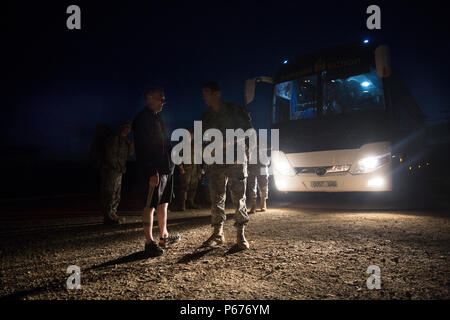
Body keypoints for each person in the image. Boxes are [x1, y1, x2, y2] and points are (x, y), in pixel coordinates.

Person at [200, 81, 253, 250]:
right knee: (216, 198)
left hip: (236, 159)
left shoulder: (235, 110)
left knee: (238, 197)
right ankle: (218, 234)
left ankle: (241, 234)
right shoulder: (206, 116)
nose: (204, 97)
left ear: (217, 93)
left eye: (206, 92)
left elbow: (248, 131)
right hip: (215, 163)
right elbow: (204, 139)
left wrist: (226, 142)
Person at [133, 88, 181, 257]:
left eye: (163, 99)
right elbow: (144, 148)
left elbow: (163, 144)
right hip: (154, 170)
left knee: (163, 203)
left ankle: (164, 236)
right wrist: (152, 171)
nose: (163, 102)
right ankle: (149, 242)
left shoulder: (157, 118)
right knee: (150, 205)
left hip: (166, 168)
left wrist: (171, 165)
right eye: (161, 99)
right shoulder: (142, 119)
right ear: (149, 99)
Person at [100, 121, 134, 225]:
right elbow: (110, 155)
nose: (127, 129)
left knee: (116, 193)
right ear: (121, 127)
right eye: (125, 127)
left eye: (129, 127)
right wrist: (117, 167)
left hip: (119, 170)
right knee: (109, 192)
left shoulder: (125, 141)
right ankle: (108, 216)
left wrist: (130, 144)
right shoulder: (114, 139)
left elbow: (131, 153)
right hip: (111, 170)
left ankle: (113, 213)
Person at [174, 129, 202, 211]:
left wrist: (200, 169)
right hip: (186, 169)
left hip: (195, 169)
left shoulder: (195, 145)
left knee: (193, 187)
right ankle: (182, 204)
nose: (192, 136)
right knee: (184, 187)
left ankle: (190, 203)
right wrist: (181, 168)